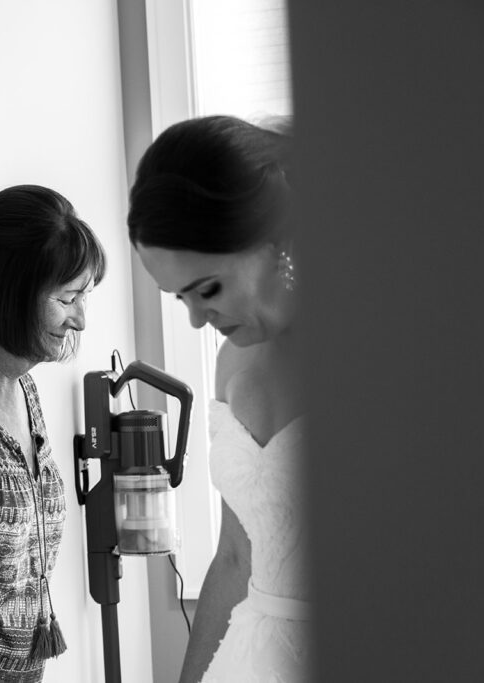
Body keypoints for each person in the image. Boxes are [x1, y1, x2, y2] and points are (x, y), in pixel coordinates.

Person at [127, 115, 307, 682]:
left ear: (270, 239)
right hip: (252, 657)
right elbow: (235, 554)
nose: (197, 318)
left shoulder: (371, 348)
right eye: (180, 297)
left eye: (207, 289)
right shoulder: (232, 360)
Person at [0, 184, 107, 683]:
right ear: (10, 291)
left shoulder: (24, 387)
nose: (79, 318)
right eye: (67, 298)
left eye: (82, 297)